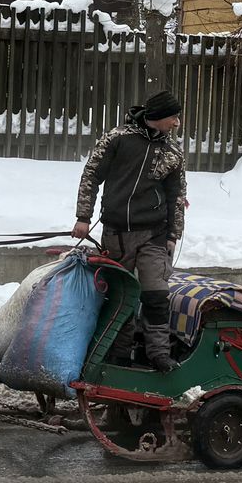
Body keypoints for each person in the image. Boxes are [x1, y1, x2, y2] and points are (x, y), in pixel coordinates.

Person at [72, 90, 187, 370]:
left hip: (154, 234)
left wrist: (173, 235)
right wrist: (83, 217)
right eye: (173, 117)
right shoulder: (117, 138)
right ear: (158, 116)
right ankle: (119, 356)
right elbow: (91, 175)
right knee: (121, 296)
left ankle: (159, 355)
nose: (177, 123)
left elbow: (177, 197)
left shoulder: (173, 153)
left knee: (155, 294)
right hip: (117, 233)